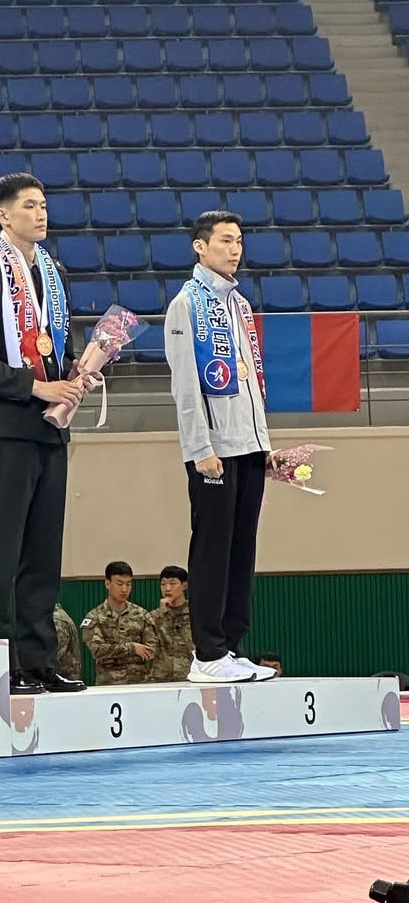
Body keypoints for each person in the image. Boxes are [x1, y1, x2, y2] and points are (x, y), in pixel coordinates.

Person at [0, 171, 88, 696]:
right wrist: (36, 387)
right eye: (29, 205)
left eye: (44, 204)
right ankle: (0, 662)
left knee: (44, 553)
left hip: (52, 430)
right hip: (9, 427)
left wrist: (77, 375)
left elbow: (57, 348)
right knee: (4, 549)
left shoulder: (54, 275)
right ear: (3, 216)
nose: (40, 213)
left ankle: (39, 661)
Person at [165, 210, 277, 685]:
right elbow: (186, 385)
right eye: (226, 240)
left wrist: (263, 444)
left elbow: (250, 381)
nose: (235, 249)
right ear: (200, 245)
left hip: (247, 447)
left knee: (241, 549)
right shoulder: (185, 304)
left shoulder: (240, 305)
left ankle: (231, 647)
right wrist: (199, 447)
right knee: (212, 549)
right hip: (213, 451)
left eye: (239, 241)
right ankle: (207, 653)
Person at [80, 562, 157, 686]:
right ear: (107, 583)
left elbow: (150, 650)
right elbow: (98, 650)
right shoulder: (95, 617)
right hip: (109, 684)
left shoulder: (142, 614)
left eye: (128, 584)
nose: (124, 589)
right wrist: (132, 648)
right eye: (119, 584)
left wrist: (112, 652)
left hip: (139, 684)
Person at [150, 566, 192, 683]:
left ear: (184, 585)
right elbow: (149, 642)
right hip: (160, 678)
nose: (167, 588)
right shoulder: (154, 616)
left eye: (173, 583)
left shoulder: (196, 615)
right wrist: (161, 614)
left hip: (190, 676)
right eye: (163, 584)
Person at [53, 603, 82, 683]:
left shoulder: (56, 620)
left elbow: (53, 656)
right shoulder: (52, 617)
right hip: (58, 683)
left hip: (60, 684)